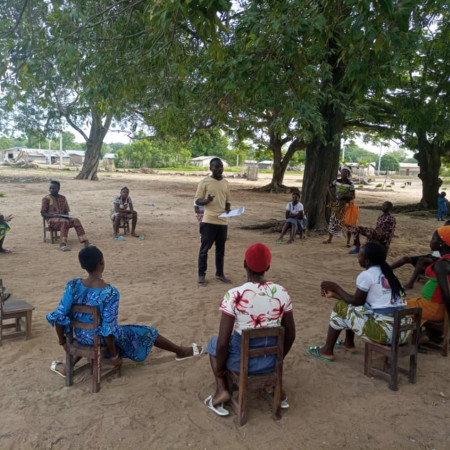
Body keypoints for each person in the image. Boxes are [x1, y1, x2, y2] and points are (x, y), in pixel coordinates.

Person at [47, 246, 202, 378]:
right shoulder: (109, 292)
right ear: (102, 262)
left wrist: (63, 343)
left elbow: (59, 317)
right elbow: (108, 331)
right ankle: (180, 351)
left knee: (103, 333)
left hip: (79, 337)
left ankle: (68, 367)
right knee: (147, 331)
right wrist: (114, 356)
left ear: (83, 266)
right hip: (99, 339)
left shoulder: (73, 286)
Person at [204, 243, 296, 416]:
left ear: (244, 264)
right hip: (270, 362)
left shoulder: (234, 295)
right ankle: (274, 385)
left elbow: (223, 344)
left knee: (214, 343)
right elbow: (291, 334)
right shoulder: (282, 293)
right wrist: (278, 359)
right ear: (267, 267)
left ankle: (222, 388)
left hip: (240, 364)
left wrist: (220, 370)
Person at [307, 242, 407, 362]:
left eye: (360, 255)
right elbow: (361, 302)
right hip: (403, 332)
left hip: (386, 334)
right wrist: (334, 294)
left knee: (341, 307)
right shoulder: (389, 274)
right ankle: (348, 343)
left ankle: (327, 350)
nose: (358, 258)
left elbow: (355, 302)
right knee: (351, 308)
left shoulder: (367, 275)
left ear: (367, 261)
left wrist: (336, 287)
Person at [195, 158, 231, 286]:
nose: (219, 169)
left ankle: (220, 274)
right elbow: (197, 201)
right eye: (216, 167)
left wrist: (228, 207)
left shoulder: (226, 183)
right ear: (211, 169)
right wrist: (206, 200)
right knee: (205, 249)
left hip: (223, 222)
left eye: (221, 166)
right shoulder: (204, 182)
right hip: (209, 220)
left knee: (220, 250)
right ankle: (201, 275)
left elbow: (227, 200)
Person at [405, 227, 450, 325]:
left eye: (433, 239)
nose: (430, 241)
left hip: (433, 308)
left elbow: (447, 295)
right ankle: (420, 334)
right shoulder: (446, 260)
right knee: (405, 301)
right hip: (432, 306)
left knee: (394, 307)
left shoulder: (442, 265)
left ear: (441, 244)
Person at [41, 181, 90, 252]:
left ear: (58, 189)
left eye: (54, 188)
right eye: (50, 188)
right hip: (52, 220)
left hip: (63, 218)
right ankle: (62, 245)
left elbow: (66, 211)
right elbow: (43, 213)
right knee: (65, 222)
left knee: (76, 220)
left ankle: (85, 241)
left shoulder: (63, 198)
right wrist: (53, 215)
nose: (51, 190)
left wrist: (66, 216)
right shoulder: (46, 199)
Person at [323, 168, 355, 246]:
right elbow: (328, 187)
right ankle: (330, 239)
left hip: (346, 205)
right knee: (333, 220)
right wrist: (332, 196)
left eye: (345, 173)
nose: (343, 174)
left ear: (348, 174)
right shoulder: (336, 181)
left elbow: (353, 196)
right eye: (342, 172)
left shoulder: (350, 184)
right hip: (337, 205)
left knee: (348, 223)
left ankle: (348, 242)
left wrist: (344, 195)